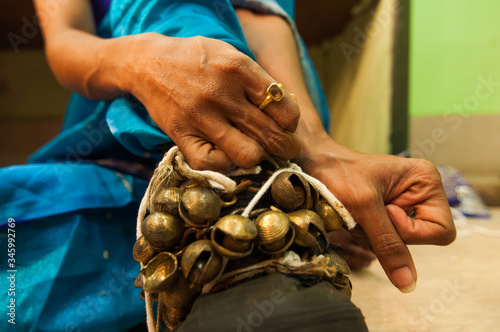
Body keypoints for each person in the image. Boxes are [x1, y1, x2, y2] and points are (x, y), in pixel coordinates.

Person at [0, 0, 455, 330]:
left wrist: (313, 149)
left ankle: (247, 218)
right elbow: (64, 42)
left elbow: (263, 13)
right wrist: (144, 62)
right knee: (20, 235)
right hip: (120, 127)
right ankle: (260, 243)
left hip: (271, 108)